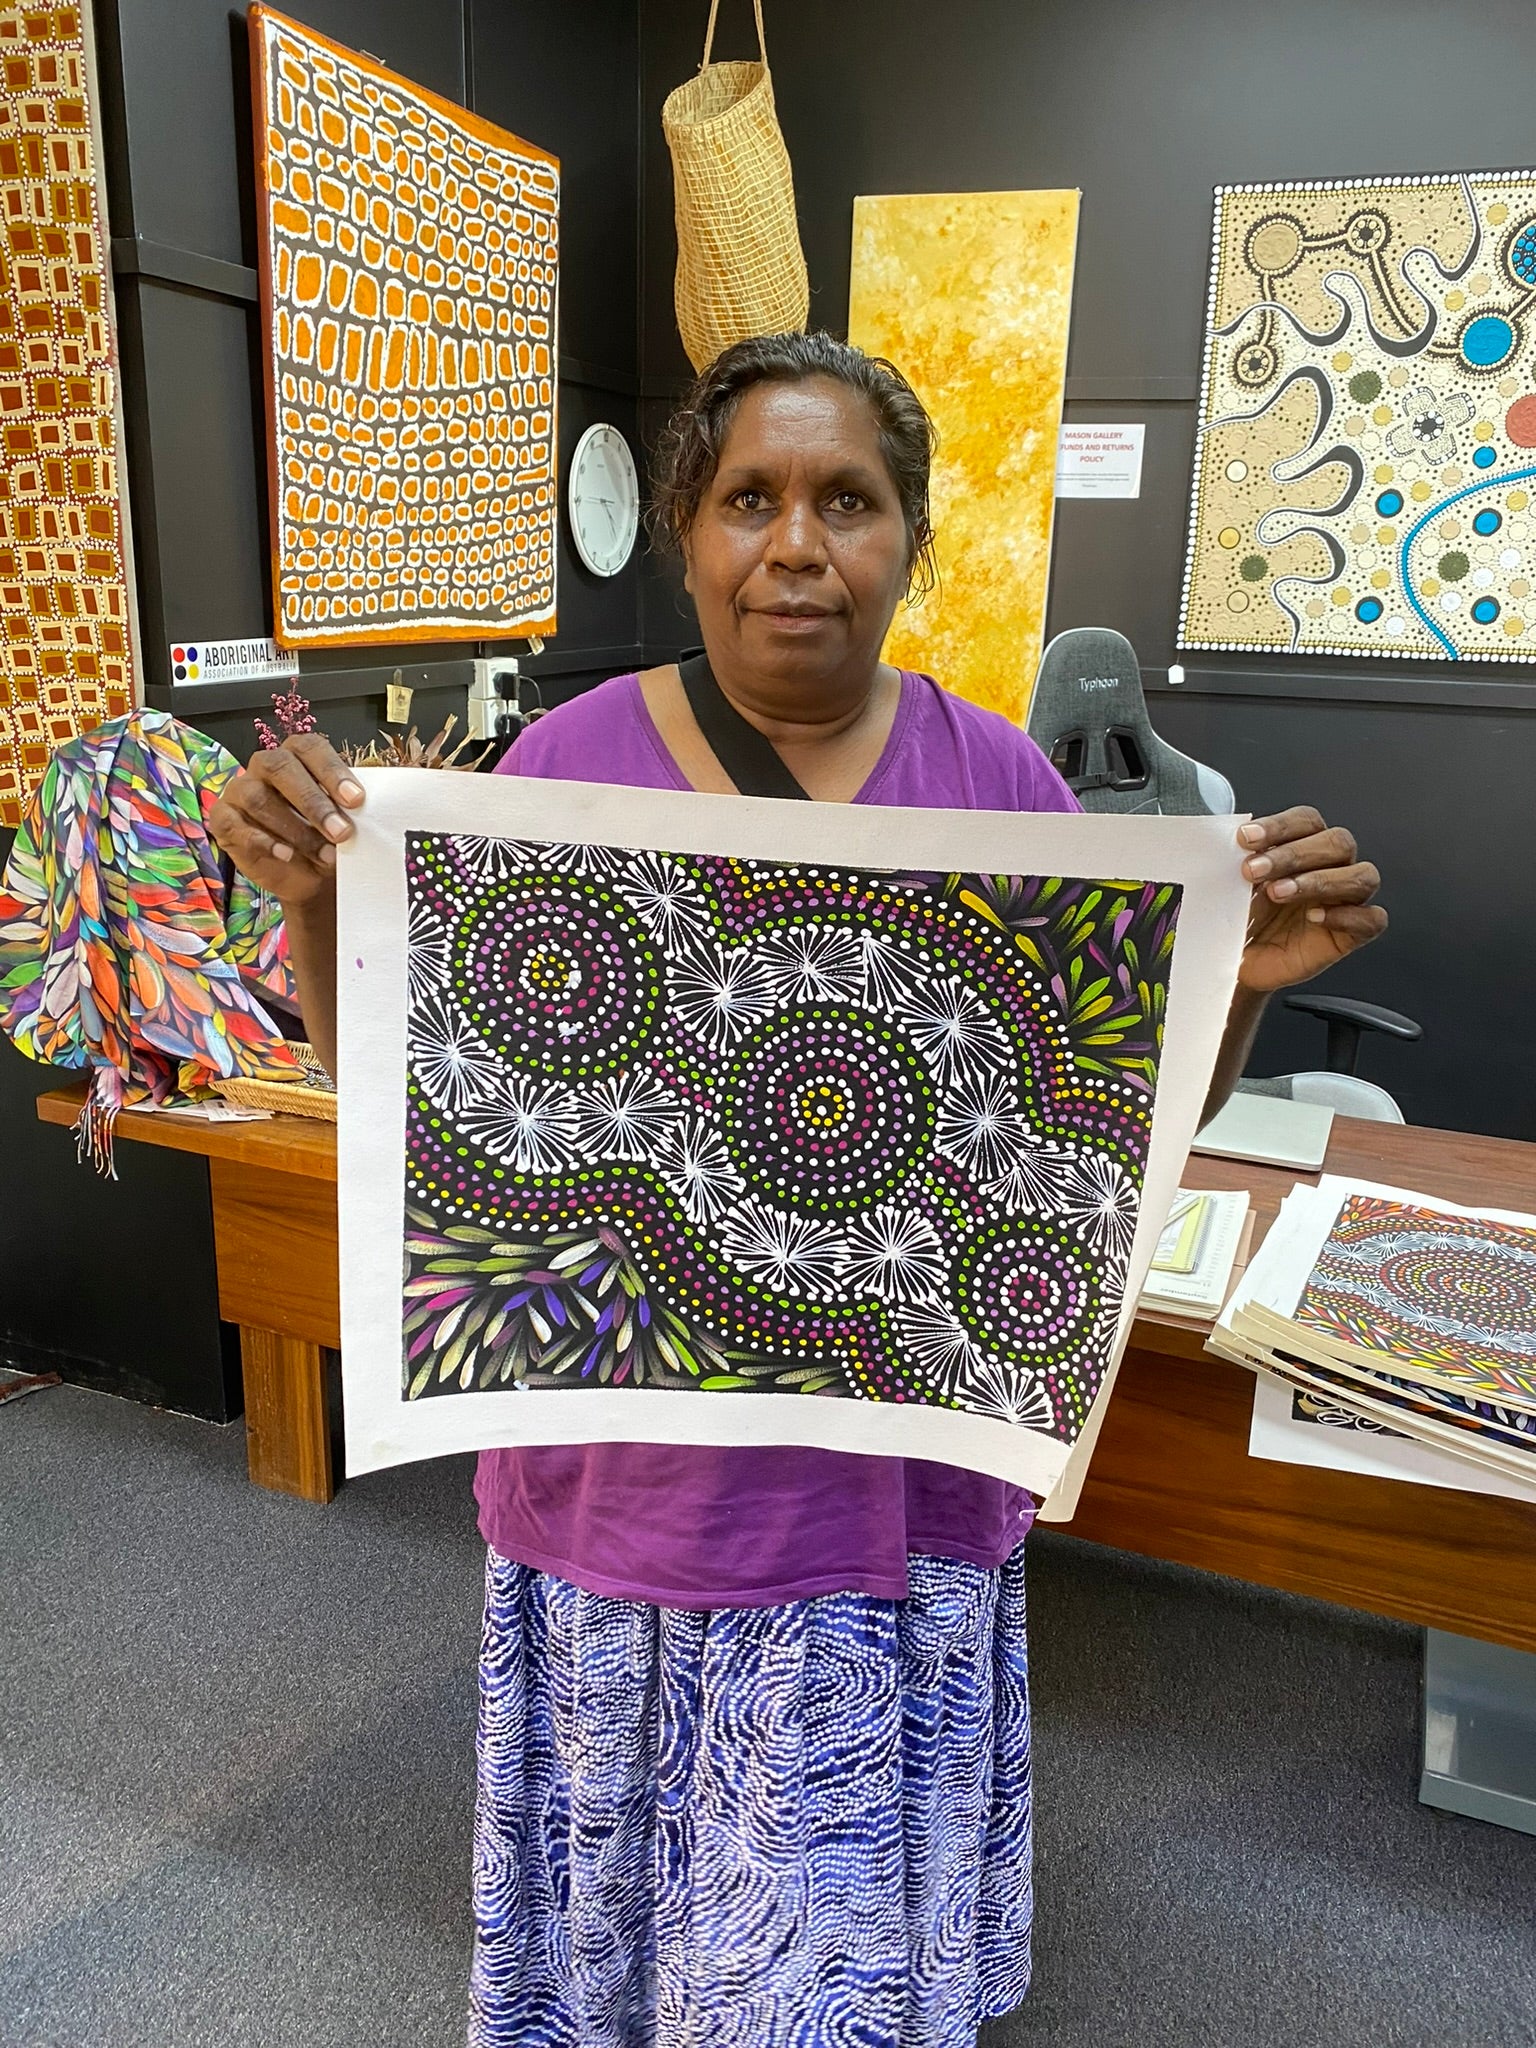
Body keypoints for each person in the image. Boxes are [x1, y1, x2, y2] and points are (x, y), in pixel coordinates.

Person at [211, 332, 1385, 2047]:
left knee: (830, 1923)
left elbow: (1096, 1144)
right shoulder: (555, 771)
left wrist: (1247, 986)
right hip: (634, 1479)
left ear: (911, 539)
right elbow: (417, 1093)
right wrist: (318, 893)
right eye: (749, 498)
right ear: (689, 531)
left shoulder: (1002, 788)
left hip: (888, 1489)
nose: (797, 544)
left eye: (850, 501)